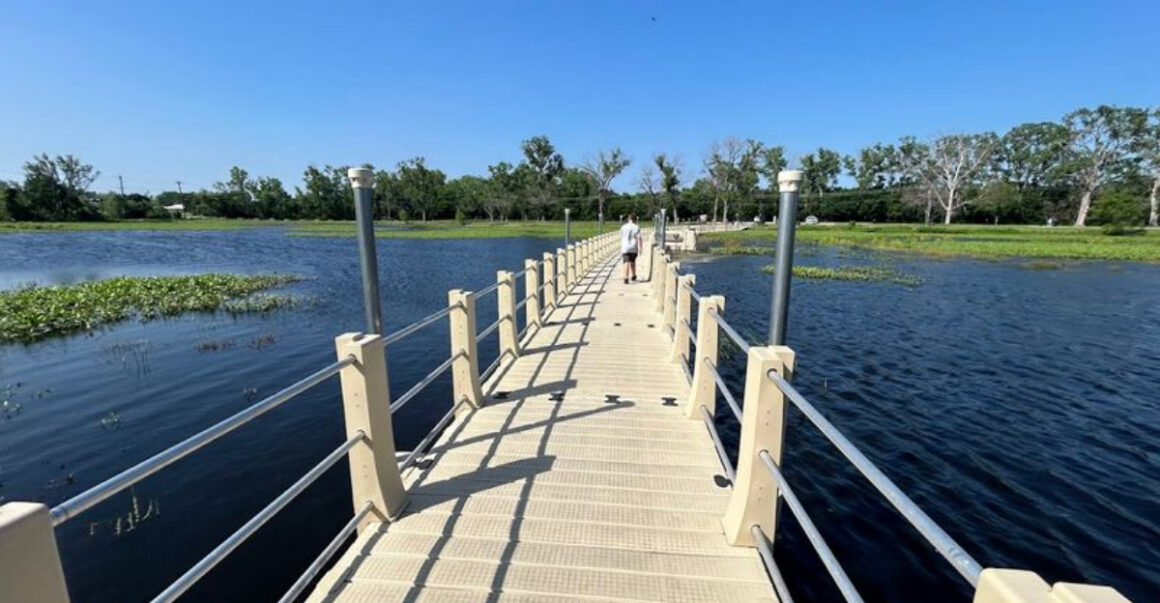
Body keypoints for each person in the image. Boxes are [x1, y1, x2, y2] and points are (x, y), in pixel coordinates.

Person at [620, 214, 642, 284]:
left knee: (626, 262)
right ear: (635, 220)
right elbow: (639, 238)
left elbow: (621, 236)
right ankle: (633, 275)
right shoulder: (637, 227)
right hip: (633, 247)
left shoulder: (623, 227)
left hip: (625, 247)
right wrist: (640, 247)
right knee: (632, 261)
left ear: (628, 219)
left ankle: (626, 277)